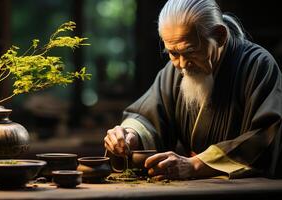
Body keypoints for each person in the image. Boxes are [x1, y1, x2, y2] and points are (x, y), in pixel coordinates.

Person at [104, 0, 282, 180]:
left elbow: (266, 135)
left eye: (190, 51)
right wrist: (130, 136)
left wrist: (195, 165)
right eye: (173, 53)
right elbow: (147, 117)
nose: (182, 65)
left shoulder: (257, 65)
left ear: (220, 36)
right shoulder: (174, 73)